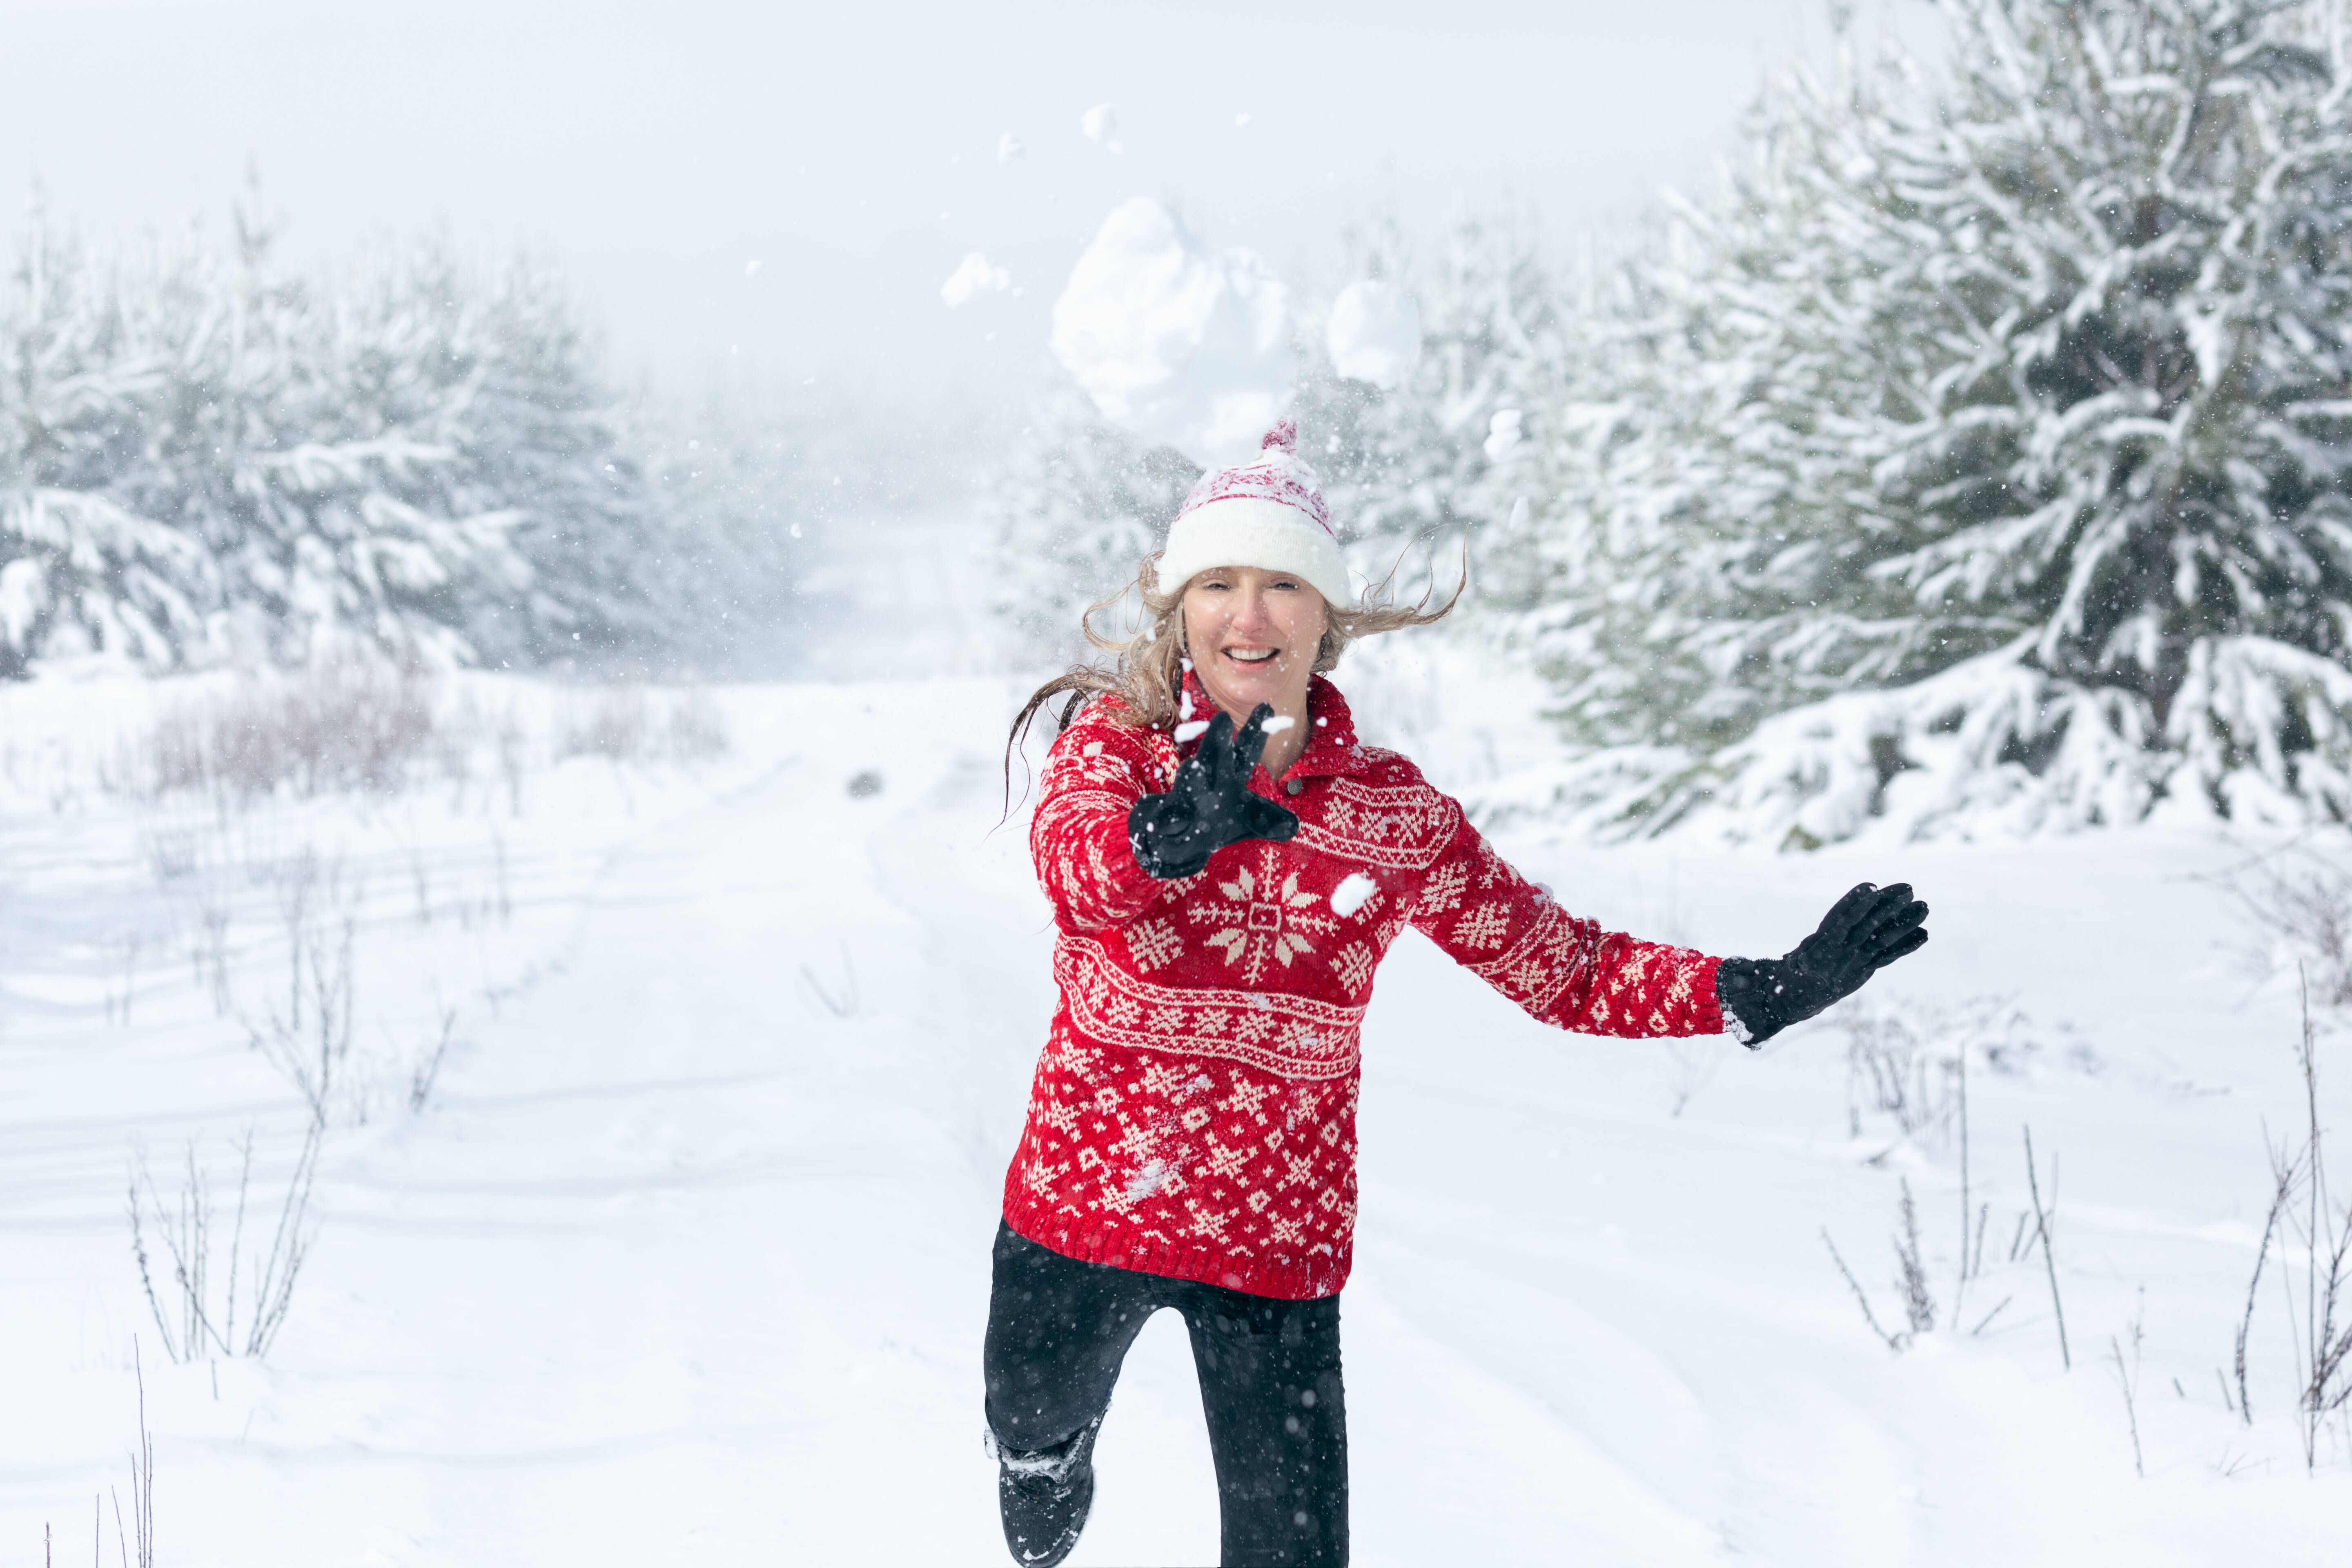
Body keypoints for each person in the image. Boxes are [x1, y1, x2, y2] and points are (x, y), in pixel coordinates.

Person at [984, 423, 1929, 1567]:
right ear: (1180, 608)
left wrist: (1758, 989)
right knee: (1028, 1444)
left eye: (1283, 583)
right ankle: (1046, 1458)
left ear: (1326, 620)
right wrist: (1166, 838)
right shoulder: (1118, 756)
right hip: (1087, 1209)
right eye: (1220, 583)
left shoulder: (1392, 817)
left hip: (1276, 1243)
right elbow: (1075, 873)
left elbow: (1562, 967)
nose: (1249, 616)